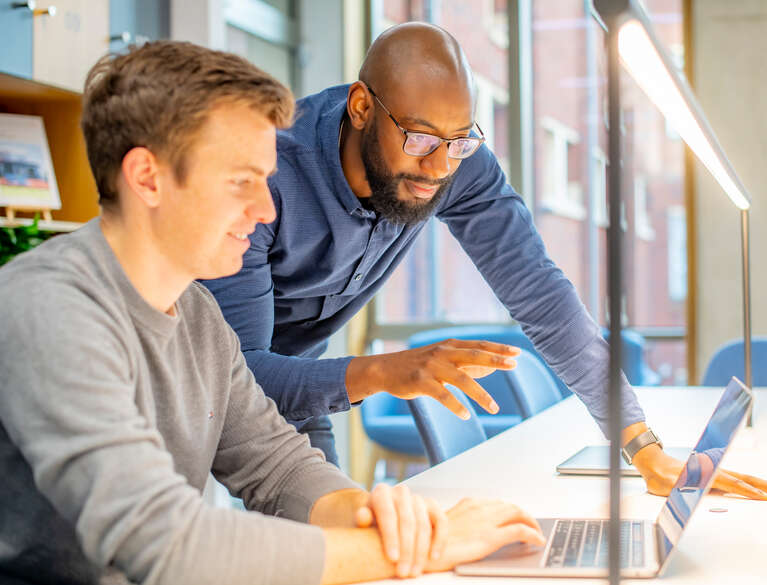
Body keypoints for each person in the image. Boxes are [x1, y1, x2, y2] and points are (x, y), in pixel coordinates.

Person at [0, 41, 544, 585]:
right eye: (241, 182)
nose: (265, 210)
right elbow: (169, 545)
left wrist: (383, 523)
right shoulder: (50, 309)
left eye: (266, 179)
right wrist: (432, 550)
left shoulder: (198, 316)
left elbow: (276, 467)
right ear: (147, 178)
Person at [204, 22, 767, 501]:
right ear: (361, 107)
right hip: (190, 378)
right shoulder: (266, 178)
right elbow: (239, 377)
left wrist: (642, 445)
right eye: (420, 138)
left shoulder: (454, 165)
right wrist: (384, 371)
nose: (437, 167)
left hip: (300, 384)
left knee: (342, 547)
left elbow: (541, 293)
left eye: (459, 141)